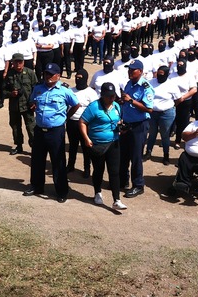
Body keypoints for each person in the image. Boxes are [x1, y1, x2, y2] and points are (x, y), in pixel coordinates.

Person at [24, 63, 78, 203]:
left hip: (56, 131)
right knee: (37, 160)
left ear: (58, 76)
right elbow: (32, 101)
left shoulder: (64, 91)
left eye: (50, 74)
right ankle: (36, 186)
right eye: (45, 74)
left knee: (58, 161)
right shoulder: (38, 88)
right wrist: (32, 105)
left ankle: (61, 191)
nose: (47, 76)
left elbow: (76, 104)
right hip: (40, 130)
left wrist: (66, 116)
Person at [79, 82, 127, 210]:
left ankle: (117, 200)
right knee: (99, 170)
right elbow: (82, 122)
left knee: (114, 171)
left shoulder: (116, 106)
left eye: (113, 96)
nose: (112, 98)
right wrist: (86, 138)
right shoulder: (94, 107)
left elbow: (118, 120)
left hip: (114, 142)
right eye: (109, 96)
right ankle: (97, 193)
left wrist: (121, 126)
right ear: (102, 95)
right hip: (97, 144)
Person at [121, 59, 154, 198]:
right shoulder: (129, 83)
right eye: (129, 69)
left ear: (140, 71)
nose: (129, 72)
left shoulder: (146, 88)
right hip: (126, 124)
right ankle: (123, 181)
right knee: (123, 155)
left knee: (135, 156)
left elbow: (149, 108)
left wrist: (130, 100)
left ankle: (138, 185)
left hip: (139, 126)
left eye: (132, 70)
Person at [145, 64, 179, 165]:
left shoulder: (172, 85)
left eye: (162, 74)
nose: (159, 76)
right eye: (158, 74)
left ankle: (166, 155)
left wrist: (169, 106)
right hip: (152, 113)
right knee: (152, 134)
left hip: (166, 113)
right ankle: (148, 152)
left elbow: (178, 99)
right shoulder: (151, 82)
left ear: (167, 75)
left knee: (165, 135)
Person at [3, 53, 37, 155]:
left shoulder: (30, 73)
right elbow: (3, 91)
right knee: (15, 127)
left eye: (20, 62)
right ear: (12, 63)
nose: (18, 64)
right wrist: (11, 94)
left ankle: (35, 148)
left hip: (28, 106)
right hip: (14, 106)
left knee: (31, 127)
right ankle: (19, 146)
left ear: (23, 62)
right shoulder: (9, 74)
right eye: (16, 62)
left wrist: (35, 102)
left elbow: (37, 90)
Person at [66, 68, 98, 176]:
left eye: (80, 78)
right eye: (76, 77)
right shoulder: (70, 91)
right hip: (71, 122)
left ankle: (87, 169)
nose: (77, 79)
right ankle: (70, 165)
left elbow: (95, 109)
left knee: (86, 147)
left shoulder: (91, 93)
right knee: (72, 146)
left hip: (85, 124)